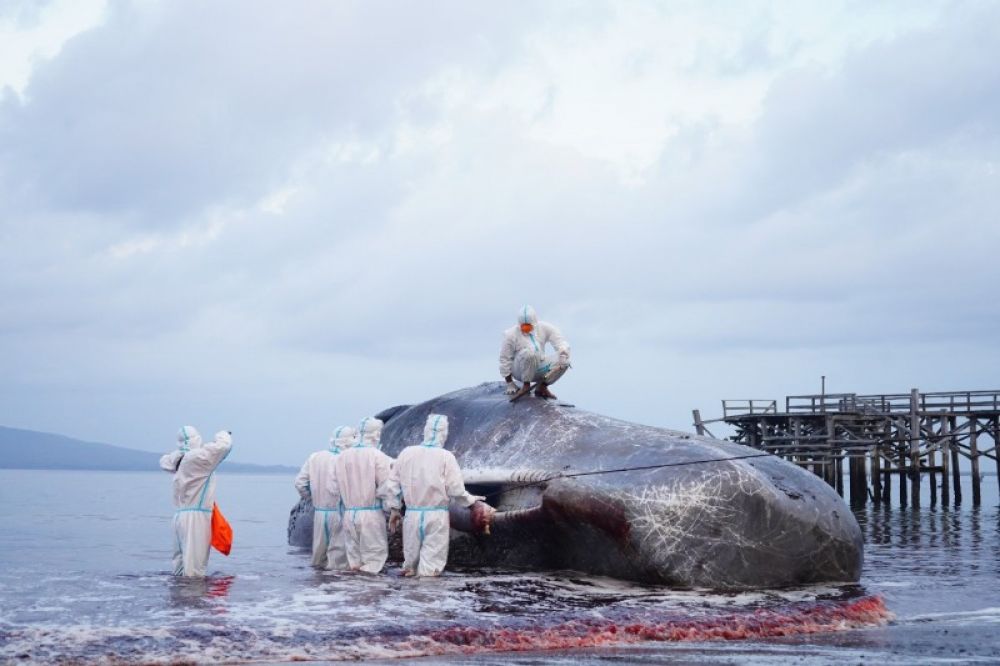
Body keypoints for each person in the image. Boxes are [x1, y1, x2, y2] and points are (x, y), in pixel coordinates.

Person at [384, 414, 485, 577]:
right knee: (431, 569)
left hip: (412, 515)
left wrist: (395, 510)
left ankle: (407, 601)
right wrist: (472, 501)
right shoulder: (446, 457)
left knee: (409, 568)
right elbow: (456, 490)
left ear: (425, 431)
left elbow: (392, 484)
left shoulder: (406, 453)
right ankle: (428, 599)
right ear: (444, 433)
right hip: (436, 516)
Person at [159, 426, 233, 577]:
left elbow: (164, 460)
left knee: (179, 569)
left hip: (179, 518)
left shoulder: (178, 461)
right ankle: (194, 599)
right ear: (196, 439)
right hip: (196, 519)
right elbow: (224, 446)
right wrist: (223, 433)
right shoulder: (197, 459)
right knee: (195, 571)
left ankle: (178, 598)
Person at [333, 417, 395, 573]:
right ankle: (369, 595)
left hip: (349, 515)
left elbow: (336, 488)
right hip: (370, 515)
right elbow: (386, 487)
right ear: (375, 434)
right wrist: (394, 509)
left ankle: (354, 594)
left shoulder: (342, 457)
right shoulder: (377, 456)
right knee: (373, 561)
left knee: (354, 562)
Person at [294, 425, 357, 570]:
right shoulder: (347, 459)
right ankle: (334, 588)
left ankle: (317, 587)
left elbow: (300, 483)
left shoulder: (315, 457)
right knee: (339, 558)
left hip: (320, 514)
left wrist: (312, 498)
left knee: (318, 556)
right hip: (340, 512)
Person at [499, 305, 571, 400]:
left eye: (529, 326)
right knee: (531, 353)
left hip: (538, 366)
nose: (526, 329)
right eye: (523, 326)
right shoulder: (511, 335)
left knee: (565, 361)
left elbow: (560, 342)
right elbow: (504, 358)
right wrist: (510, 383)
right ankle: (526, 385)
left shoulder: (544, 328)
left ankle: (542, 386)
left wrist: (563, 353)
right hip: (520, 370)